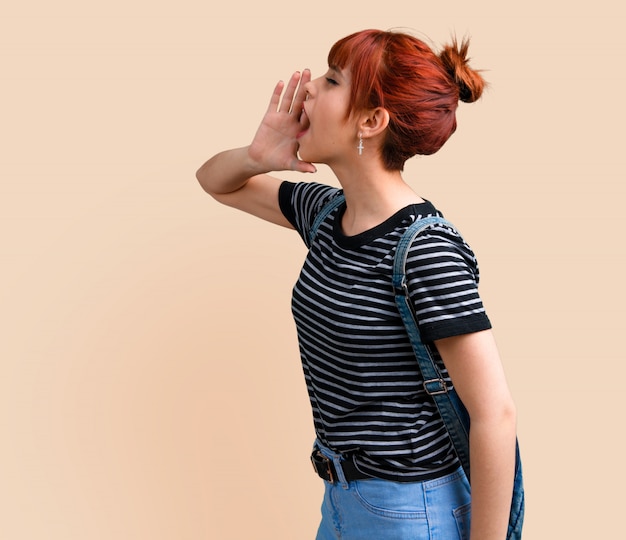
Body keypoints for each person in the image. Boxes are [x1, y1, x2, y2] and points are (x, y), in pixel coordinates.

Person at [196, 28, 517, 540]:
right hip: (343, 501)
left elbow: (495, 414)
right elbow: (216, 181)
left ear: (371, 120)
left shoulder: (424, 251)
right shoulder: (326, 213)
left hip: (411, 510)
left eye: (331, 80)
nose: (309, 91)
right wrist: (258, 156)